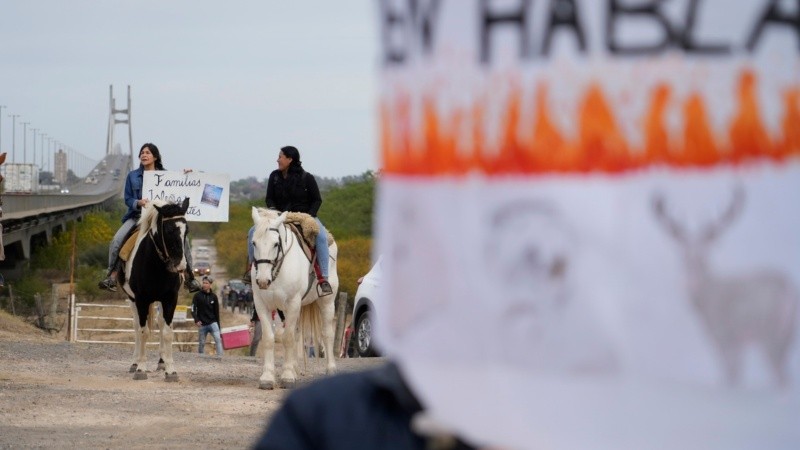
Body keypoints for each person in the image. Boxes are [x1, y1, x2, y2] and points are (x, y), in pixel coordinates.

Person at [98, 143, 201, 293]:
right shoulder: (132, 176)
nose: (144, 155)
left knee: (183, 242)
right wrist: (137, 202)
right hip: (137, 217)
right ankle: (112, 276)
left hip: (160, 219)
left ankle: (189, 277)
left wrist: (188, 175)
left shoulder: (166, 175)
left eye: (147, 153)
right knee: (116, 241)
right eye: (142, 153)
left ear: (155, 157)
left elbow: (180, 188)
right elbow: (127, 198)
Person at [244, 145, 332, 295]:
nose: (277, 159)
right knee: (252, 231)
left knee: (322, 237)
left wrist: (309, 216)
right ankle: (251, 268)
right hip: (278, 216)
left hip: (304, 216)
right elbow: (269, 198)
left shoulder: (307, 178)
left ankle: (324, 278)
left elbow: (317, 200)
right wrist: (273, 212)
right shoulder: (274, 176)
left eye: (280, 156)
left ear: (290, 159)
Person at [191, 276, 223, 356]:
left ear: (210, 285)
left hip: (213, 322)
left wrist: (219, 326)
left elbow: (216, 312)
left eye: (206, 283)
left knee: (218, 339)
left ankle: (220, 357)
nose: (204, 285)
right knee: (201, 343)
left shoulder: (214, 297)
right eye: (203, 283)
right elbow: (192, 309)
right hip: (202, 324)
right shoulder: (197, 296)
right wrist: (196, 320)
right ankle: (201, 357)